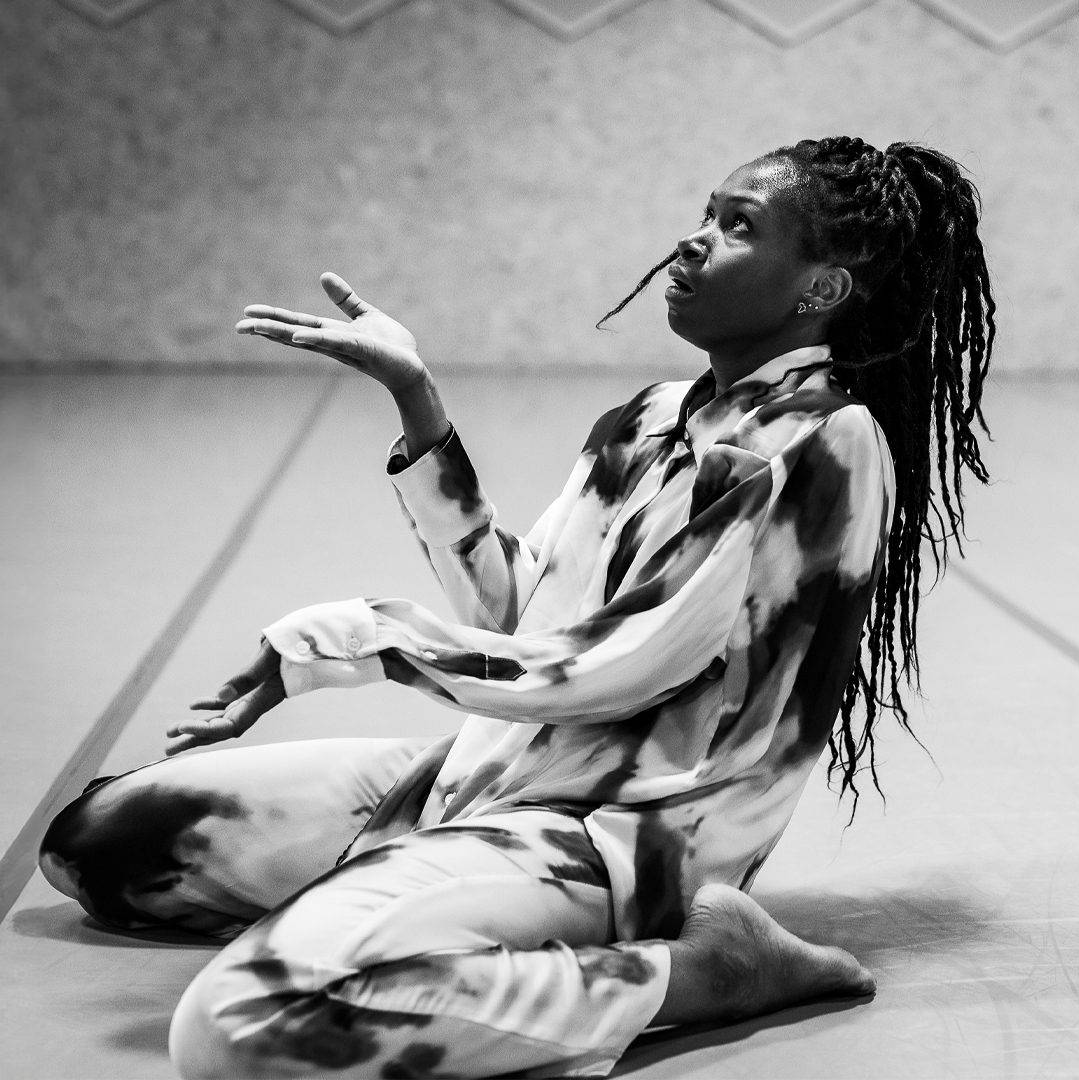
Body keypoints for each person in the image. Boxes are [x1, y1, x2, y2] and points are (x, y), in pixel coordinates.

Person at [39, 136, 994, 1079]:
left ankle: (702, 973)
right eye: (703, 214)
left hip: (616, 833)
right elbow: (520, 616)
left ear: (820, 289)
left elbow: (623, 662)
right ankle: (424, 909)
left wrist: (357, 638)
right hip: (482, 777)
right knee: (96, 844)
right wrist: (419, 404)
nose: (693, 240)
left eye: (736, 226)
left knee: (239, 1025)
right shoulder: (652, 416)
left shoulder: (822, 439)